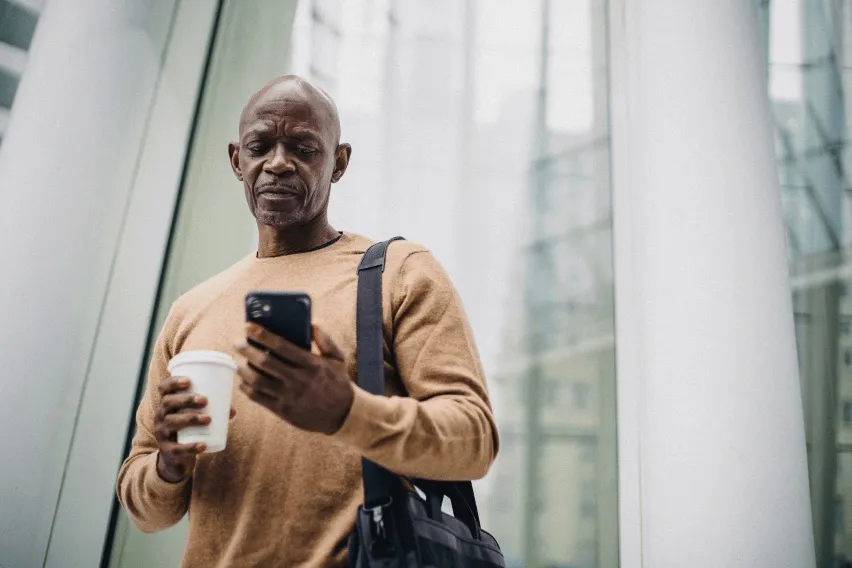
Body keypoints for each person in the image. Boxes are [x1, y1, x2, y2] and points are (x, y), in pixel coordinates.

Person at [116, 75, 499, 567]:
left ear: (339, 162)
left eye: (304, 148)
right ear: (237, 160)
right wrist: (168, 466)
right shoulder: (190, 311)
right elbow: (142, 508)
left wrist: (346, 411)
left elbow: (474, 441)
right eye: (260, 146)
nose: (278, 163)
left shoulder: (398, 272)